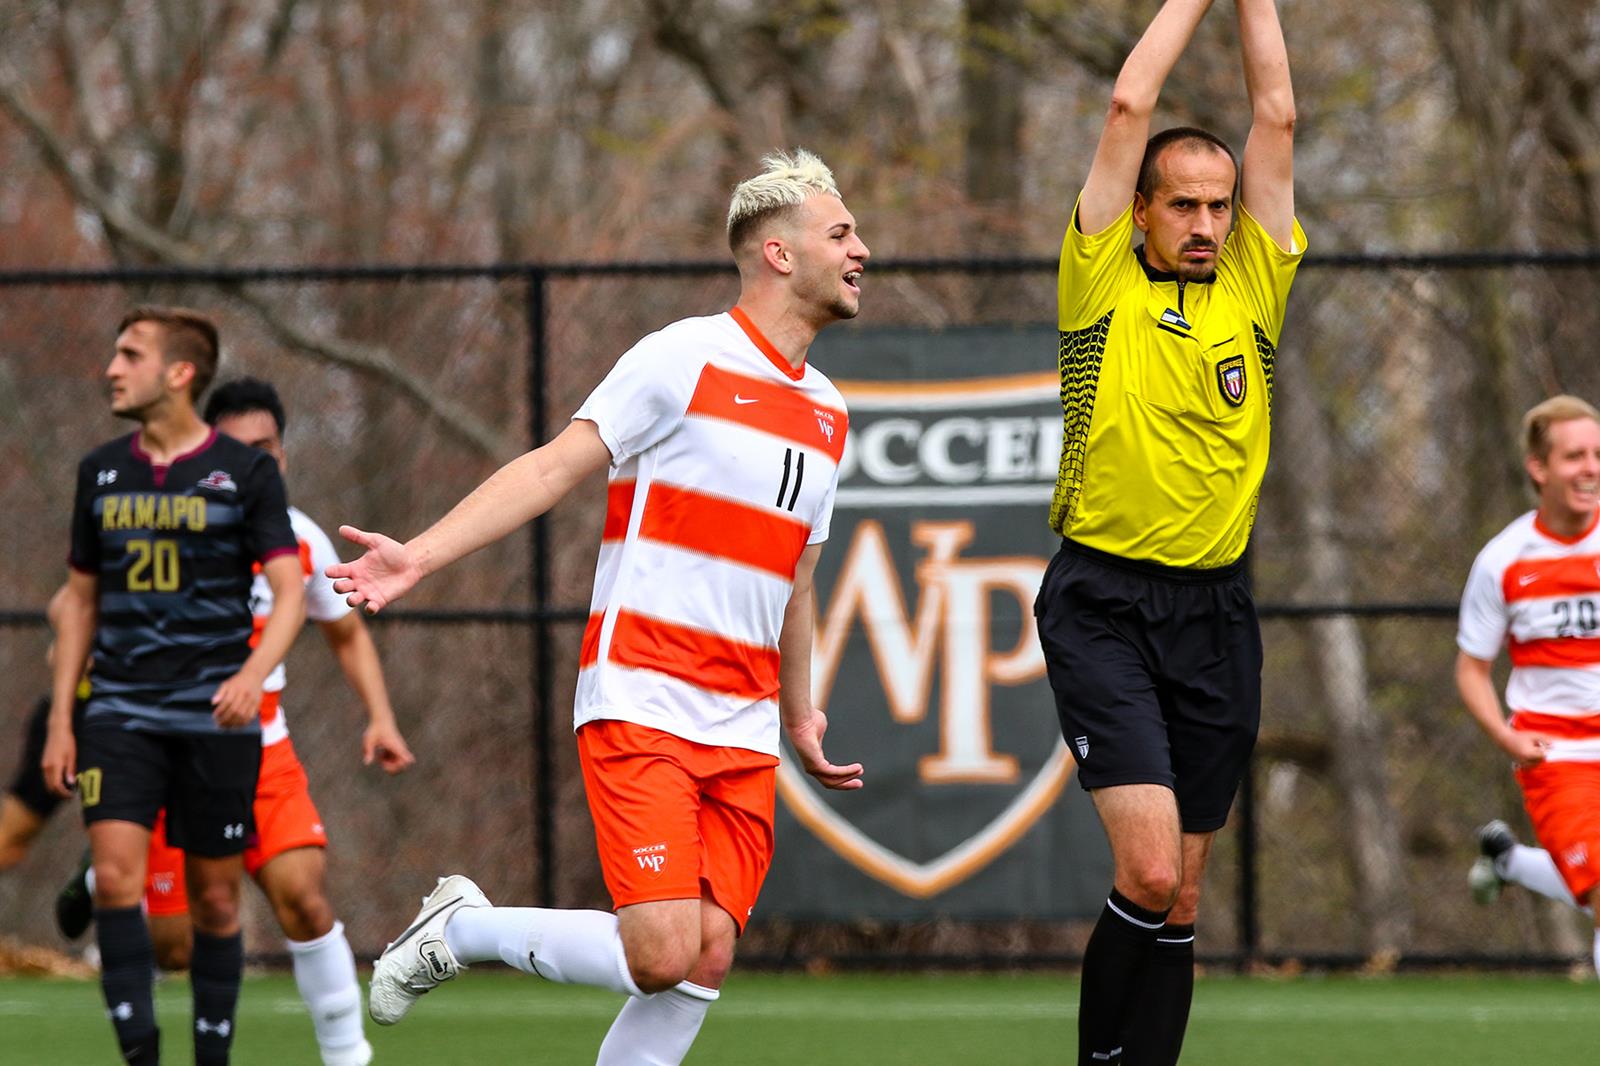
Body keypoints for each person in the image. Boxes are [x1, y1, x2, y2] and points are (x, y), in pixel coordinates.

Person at [328, 148, 867, 1066]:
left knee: (707, 956)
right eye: (842, 232)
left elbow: (799, 580)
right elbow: (548, 467)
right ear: (779, 253)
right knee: (659, 953)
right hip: (643, 694)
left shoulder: (828, 411)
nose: (864, 250)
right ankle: (463, 931)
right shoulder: (680, 357)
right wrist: (416, 557)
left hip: (743, 724)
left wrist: (799, 715)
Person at [1031, 1, 1305, 1062]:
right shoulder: (1097, 287)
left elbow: (1275, 111)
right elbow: (1127, 98)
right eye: (1181, 204)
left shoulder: (1252, 285)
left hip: (1216, 611)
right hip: (1103, 602)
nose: (1203, 223)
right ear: (1138, 211)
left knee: (1182, 895)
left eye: (1217, 206)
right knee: (1147, 871)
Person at [56, 377, 416, 1066]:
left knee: (304, 901)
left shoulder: (302, 537)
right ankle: (109, 866)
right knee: (175, 946)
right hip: (162, 738)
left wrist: (381, 718)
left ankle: (348, 1056)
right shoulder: (163, 515)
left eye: (271, 447)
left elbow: (345, 632)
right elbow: (76, 606)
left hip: (263, 748)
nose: (263, 461)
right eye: (245, 447)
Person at [43, 307, 306, 1066]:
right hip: (118, 712)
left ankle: (211, 1058)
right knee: (118, 879)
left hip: (214, 718)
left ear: (179, 373)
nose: (112, 368)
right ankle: (141, 1057)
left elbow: (289, 593)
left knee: (216, 901)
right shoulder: (100, 471)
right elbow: (80, 601)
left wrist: (252, 676)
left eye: (130, 355)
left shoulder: (246, 473)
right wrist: (64, 717)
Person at [1457, 395, 1600, 978]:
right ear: (1539, 468)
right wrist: (1504, 736)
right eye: (1574, 456)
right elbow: (1471, 668)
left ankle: (1510, 861)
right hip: (1556, 756)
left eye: (1597, 454)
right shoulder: (1505, 560)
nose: (1590, 467)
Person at [0, 587, 88, 875]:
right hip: (75, 715)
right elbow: (62, 608)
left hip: (142, 722)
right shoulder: (103, 564)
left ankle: (95, 879)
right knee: (11, 839)